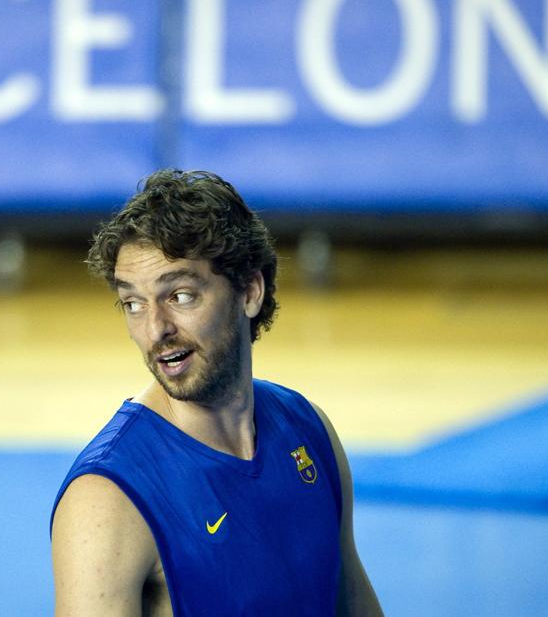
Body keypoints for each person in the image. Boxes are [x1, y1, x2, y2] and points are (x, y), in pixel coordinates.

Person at [50, 169, 382, 616]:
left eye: (181, 296)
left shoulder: (310, 430)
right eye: (133, 303)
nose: (155, 330)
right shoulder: (106, 500)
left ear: (249, 291)